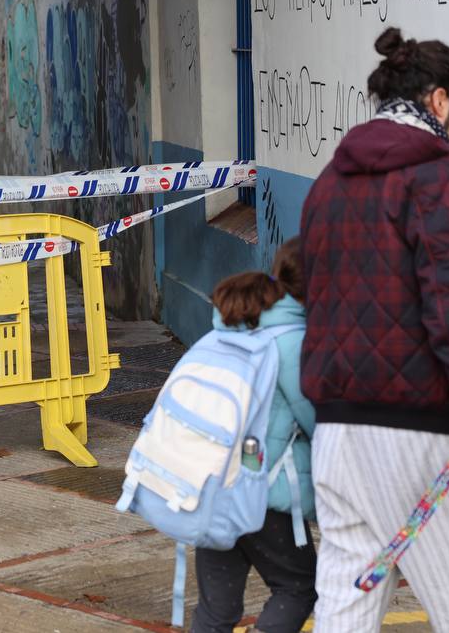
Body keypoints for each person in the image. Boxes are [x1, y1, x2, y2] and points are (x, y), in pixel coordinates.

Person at [299, 27, 449, 632]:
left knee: (345, 608)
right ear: (439, 101)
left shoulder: (328, 185)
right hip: (421, 433)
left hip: (338, 435)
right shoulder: (444, 181)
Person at [192, 237, 317, 633]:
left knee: (216, 611)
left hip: (212, 485)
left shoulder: (227, 330)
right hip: (265, 496)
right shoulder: (293, 341)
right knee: (298, 586)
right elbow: (319, 422)